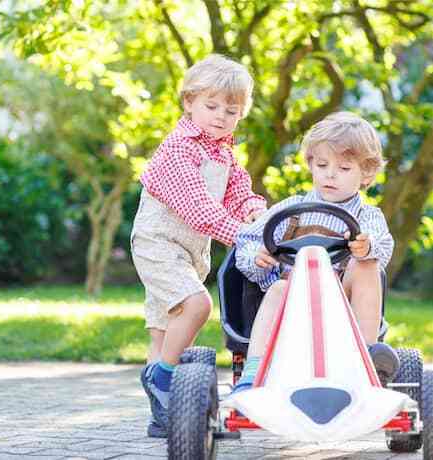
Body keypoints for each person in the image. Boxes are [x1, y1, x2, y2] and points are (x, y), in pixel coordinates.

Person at [130, 54, 266, 437]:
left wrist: (256, 212)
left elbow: (239, 194)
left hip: (189, 251)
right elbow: (200, 210)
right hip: (159, 245)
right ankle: (163, 378)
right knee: (197, 305)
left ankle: (166, 418)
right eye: (211, 106)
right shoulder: (179, 150)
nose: (221, 116)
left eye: (231, 110)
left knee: (163, 329)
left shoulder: (222, 150)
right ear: (189, 102)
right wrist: (243, 235)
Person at [233, 111, 399, 393]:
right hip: (292, 302)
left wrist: (366, 246)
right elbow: (246, 239)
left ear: (366, 173)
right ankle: (254, 372)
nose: (330, 175)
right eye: (322, 165)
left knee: (367, 264)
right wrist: (256, 257)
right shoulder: (290, 209)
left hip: (343, 307)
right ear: (311, 164)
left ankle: (367, 360)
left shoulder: (366, 216)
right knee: (278, 289)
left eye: (344, 169)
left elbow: (383, 245)